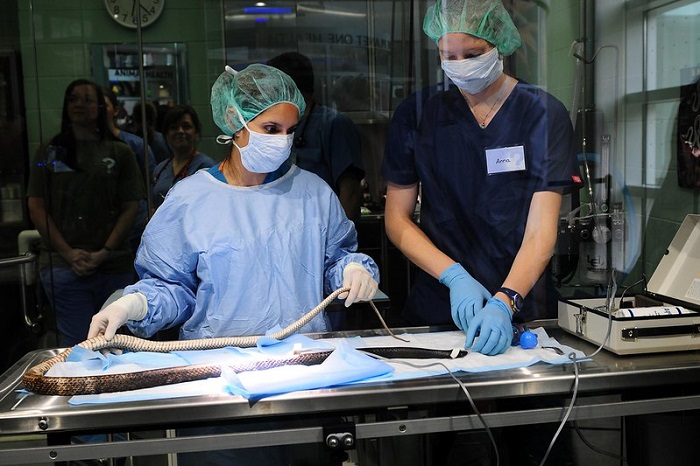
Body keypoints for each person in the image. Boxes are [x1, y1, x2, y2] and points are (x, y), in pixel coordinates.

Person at [87, 64, 379, 464]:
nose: (282, 142)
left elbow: (336, 258)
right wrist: (130, 305)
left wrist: (351, 269)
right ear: (233, 121)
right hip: (220, 387)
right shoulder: (190, 200)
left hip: (307, 380)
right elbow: (171, 288)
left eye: (291, 131)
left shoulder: (312, 193)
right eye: (270, 129)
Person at [382, 0, 582, 356]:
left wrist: (506, 300)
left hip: (522, 308)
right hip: (440, 306)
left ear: (499, 45)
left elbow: (541, 231)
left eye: (473, 53)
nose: (460, 66)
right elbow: (397, 220)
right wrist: (454, 276)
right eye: (448, 55)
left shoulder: (541, 114)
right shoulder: (418, 114)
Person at [26, 79, 145, 347]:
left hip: (112, 264)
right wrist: (68, 253)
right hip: (64, 266)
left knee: (118, 345)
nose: (80, 104)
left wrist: (104, 251)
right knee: (80, 345)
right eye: (73, 99)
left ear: (101, 107)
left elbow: (131, 206)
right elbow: (36, 204)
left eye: (88, 99)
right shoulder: (50, 151)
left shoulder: (120, 152)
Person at [267, 52, 365, 223]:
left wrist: (336, 242)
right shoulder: (275, 129)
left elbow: (351, 193)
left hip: (324, 231)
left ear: (287, 88)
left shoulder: (333, 125)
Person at [103, 87, 157, 255]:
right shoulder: (84, 149)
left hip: (134, 231)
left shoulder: (136, 146)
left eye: (103, 105)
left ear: (116, 110)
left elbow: (149, 187)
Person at [150, 104, 215, 211]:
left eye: (186, 126)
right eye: (174, 127)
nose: (180, 131)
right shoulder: (160, 169)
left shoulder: (206, 166)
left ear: (196, 132)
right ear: (166, 134)